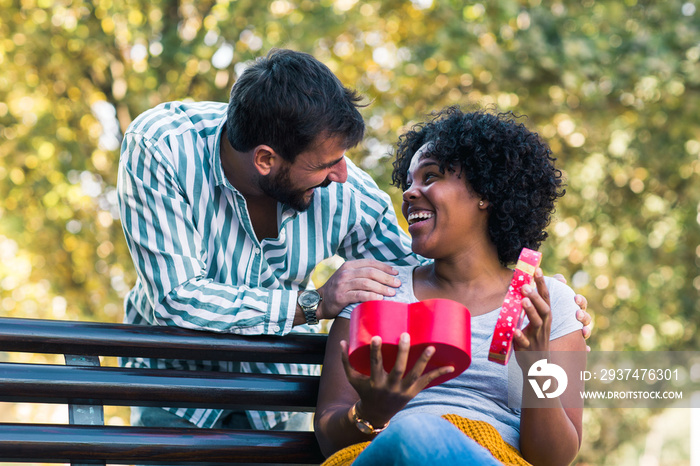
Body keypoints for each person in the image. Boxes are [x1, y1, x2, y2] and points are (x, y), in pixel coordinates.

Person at [117, 49, 591, 432]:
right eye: (326, 163)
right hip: (179, 392)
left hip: (278, 405)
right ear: (266, 159)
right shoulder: (161, 147)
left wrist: (542, 298)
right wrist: (313, 304)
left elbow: (436, 267)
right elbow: (177, 299)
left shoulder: (344, 191)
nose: (342, 175)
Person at [315, 107, 587, 466]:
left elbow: (554, 459)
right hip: (382, 455)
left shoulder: (544, 304)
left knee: (422, 433)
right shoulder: (377, 291)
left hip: (493, 455)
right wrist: (371, 412)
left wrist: (536, 365)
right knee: (416, 434)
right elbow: (328, 439)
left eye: (430, 176)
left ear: (485, 192)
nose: (410, 193)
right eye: (408, 183)